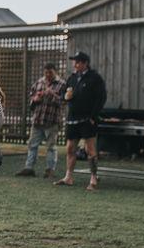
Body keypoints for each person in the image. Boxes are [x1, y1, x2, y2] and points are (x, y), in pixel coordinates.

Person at [55, 52, 107, 191]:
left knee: (90, 149)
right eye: (74, 62)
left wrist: (93, 116)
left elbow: (101, 98)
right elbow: (63, 94)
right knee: (70, 148)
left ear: (85, 63)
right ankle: (68, 177)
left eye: (77, 62)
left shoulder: (95, 78)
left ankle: (93, 178)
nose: (75, 64)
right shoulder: (72, 78)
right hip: (73, 119)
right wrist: (65, 97)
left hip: (87, 119)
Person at [16, 63, 65, 178]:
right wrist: (36, 98)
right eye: (46, 72)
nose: (47, 75)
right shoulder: (39, 82)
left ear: (55, 72)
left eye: (50, 72)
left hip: (52, 121)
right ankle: (29, 168)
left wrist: (52, 94)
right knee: (32, 145)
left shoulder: (62, 84)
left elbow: (64, 102)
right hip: (37, 120)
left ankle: (50, 170)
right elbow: (31, 100)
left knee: (51, 147)